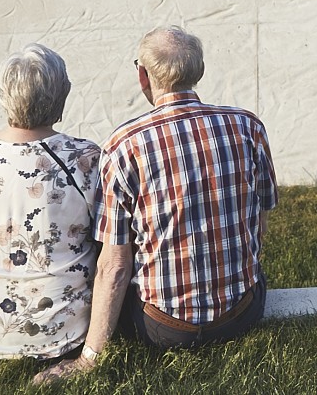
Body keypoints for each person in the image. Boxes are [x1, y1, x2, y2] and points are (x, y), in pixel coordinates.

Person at [36, 27, 276, 383]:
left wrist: (88, 359)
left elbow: (115, 265)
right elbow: (262, 217)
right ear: (199, 71)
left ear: (143, 76)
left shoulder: (125, 145)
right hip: (242, 311)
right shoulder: (247, 125)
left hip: (163, 327)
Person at [0, 43, 106, 363]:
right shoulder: (83, 156)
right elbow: (105, 238)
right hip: (61, 329)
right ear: (61, 98)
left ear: (5, 96)